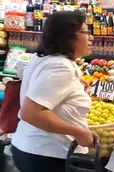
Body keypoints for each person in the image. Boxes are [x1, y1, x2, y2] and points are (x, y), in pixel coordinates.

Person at [11, 11, 98, 172]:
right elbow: (30, 113)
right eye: (85, 32)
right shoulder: (60, 66)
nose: (91, 37)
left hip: (31, 149)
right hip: (48, 155)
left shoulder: (44, 58)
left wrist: (74, 85)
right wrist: (78, 132)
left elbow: (39, 86)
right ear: (68, 36)